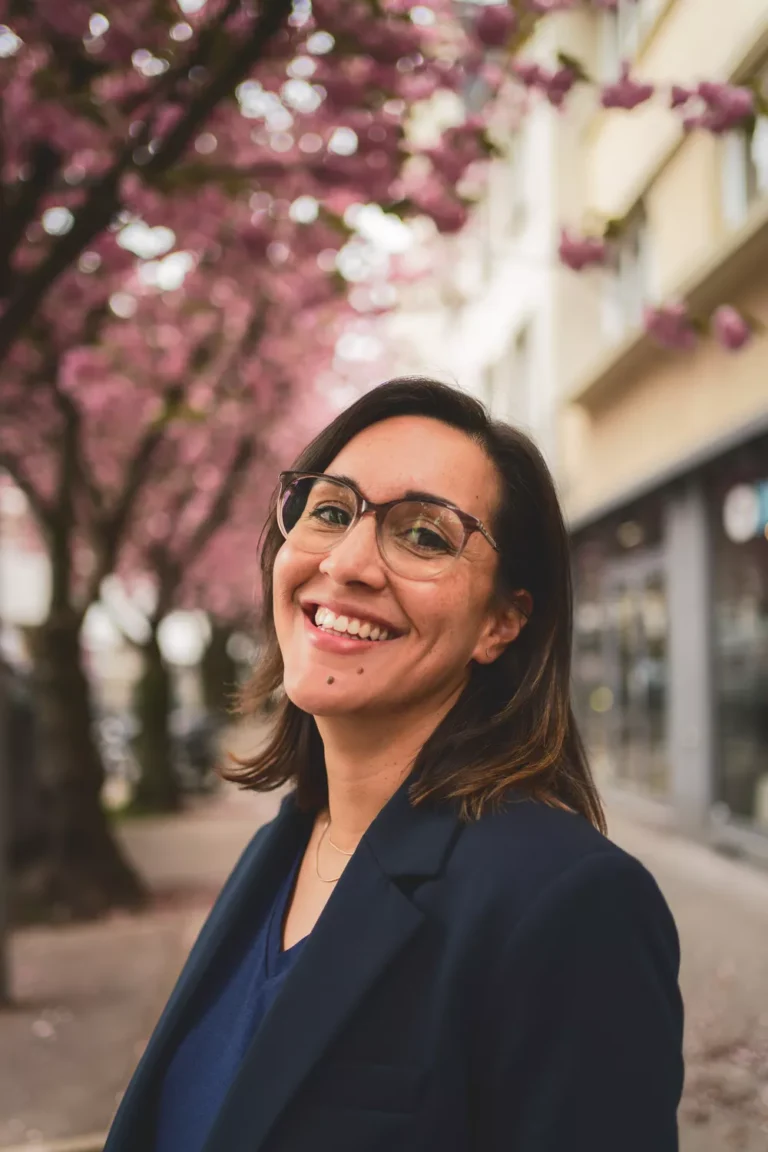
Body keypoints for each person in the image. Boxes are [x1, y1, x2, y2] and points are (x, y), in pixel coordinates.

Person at [104, 377, 684, 1152]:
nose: (347, 564)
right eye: (332, 511)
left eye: (424, 536)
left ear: (502, 622)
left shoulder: (570, 906)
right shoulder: (286, 842)